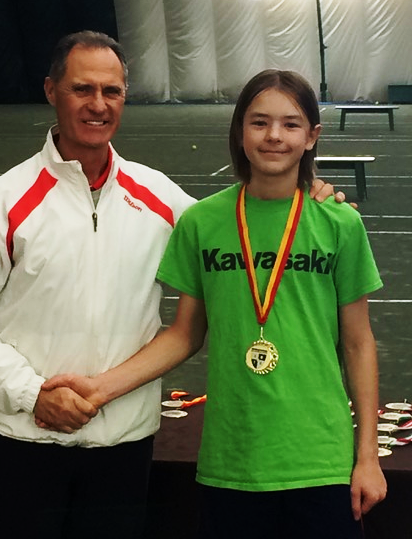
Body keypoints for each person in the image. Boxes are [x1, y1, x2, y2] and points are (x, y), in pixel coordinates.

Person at [0, 29, 343, 538]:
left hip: (123, 450)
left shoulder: (162, 198)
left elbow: (241, 228)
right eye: (82, 89)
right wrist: (29, 393)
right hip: (24, 441)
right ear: (51, 91)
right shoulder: (2, 200)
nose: (98, 104)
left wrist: (308, 199)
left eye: (111, 91)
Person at [42, 69, 387, 538]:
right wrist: (100, 389)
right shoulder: (202, 222)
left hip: (322, 462)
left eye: (290, 124)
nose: (274, 135)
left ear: (311, 137)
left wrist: (367, 457)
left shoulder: (339, 223)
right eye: (259, 122)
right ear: (240, 131)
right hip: (231, 463)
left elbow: (359, 344)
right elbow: (184, 333)